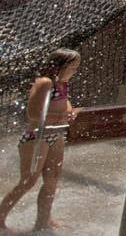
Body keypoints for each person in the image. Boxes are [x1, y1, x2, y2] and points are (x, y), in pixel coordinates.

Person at [0, 48, 80, 232]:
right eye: (73, 67)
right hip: (37, 137)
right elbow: (33, 114)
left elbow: (65, 103)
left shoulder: (62, 83)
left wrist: (69, 112)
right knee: (28, 180)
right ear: (60, 66)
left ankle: (43, 220)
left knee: (52, 180)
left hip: (55, 135)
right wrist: (60, 116)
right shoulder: (45, 82)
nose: (75, 71)